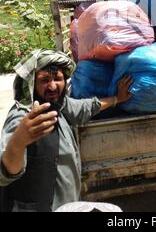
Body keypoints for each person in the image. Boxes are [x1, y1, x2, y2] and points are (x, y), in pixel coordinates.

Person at [0, 49, 132, 212]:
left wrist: (116, 99)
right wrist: (18, 142)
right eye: (44, 80)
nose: (53, 86)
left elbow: (85, 107)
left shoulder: (59, 105)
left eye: (58, 79)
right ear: (31, 83)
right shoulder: (23, 117)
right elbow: (5, 172)